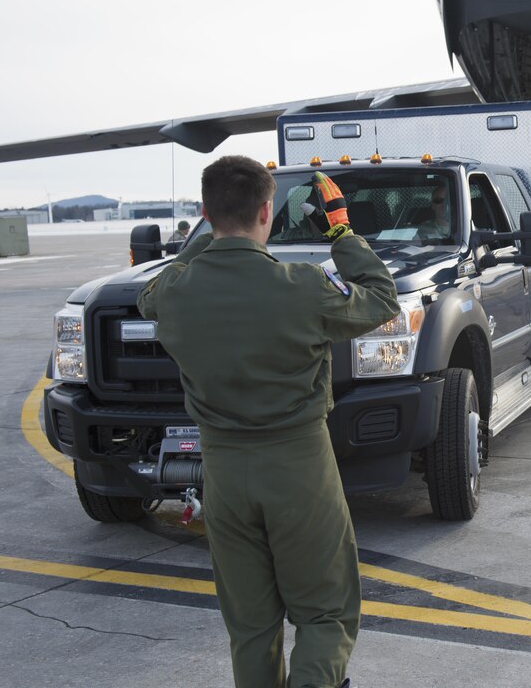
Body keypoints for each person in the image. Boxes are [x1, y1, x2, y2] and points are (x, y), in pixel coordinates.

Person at [137, 156, 399, 688]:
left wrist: (204, 236)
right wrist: (342, 229)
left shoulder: (173, 294)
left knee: (252, 627)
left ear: (207, 214)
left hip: (224, 473)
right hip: (298, 465)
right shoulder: (302, 287)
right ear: (268, 212)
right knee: (325, 613)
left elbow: (155, 290)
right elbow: (380, 299)